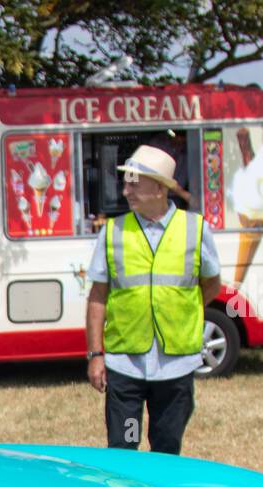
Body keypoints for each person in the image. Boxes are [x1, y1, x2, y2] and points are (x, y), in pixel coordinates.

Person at [85, 145, 222, 455]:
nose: (126, 190)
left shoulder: (195, 229)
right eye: (125, 182)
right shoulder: (113, 232)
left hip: (176, 364)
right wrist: (95, 354)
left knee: (166, 447)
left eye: (134, 182)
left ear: (160, 187)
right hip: (126, 365)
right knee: (125, 445)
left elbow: (211, 284)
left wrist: (181, 309)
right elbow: (98, 297)